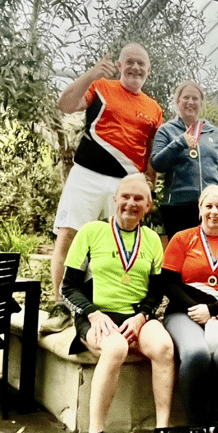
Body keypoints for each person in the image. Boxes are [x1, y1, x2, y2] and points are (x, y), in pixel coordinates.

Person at [46, 43, 163, 334]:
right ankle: (61, 303)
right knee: (69, 234)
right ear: (120, 66)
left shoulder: (154, 108)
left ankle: (111, 308)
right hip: (86, 174)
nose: (135, 68)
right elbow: (65, 105)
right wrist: (91, 73)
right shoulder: (100, 86)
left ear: (149, 71)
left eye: (141, 64)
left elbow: (150, 152)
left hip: (126, 182)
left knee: (118, 246)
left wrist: (150, 182)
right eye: (130, 62)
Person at [61, 174, 175, 433]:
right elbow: (68, 287)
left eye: (139, 199)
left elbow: (156, 292)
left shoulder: (151, 240)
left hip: (136, 315)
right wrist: (92, 313)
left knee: (164, 348)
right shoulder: (91, 231)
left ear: (148, 206)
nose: (131, 203)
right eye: (125, 196)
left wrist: (142, 317)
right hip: (97, 315)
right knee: (115, 348)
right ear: (114, 200)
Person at [161, 185, 218, 433]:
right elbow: (169, 283)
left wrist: (214, 310)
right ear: (200, 209)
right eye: (209, 205)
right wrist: (196, 309)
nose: (214, 211)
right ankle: (197, 430)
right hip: (182, 311)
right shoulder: (182, 238)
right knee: (196, 353)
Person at [151, 80, 218, 239]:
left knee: (210, 255)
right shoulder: (167, 130)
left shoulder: (214, 132)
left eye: (195, 99)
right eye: (186, 98)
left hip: (211, 208)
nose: (190, 102)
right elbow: (157, 163)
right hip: (178, 207)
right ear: (178, 101)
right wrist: (180, 143)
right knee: (182, 258)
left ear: (201, 103)